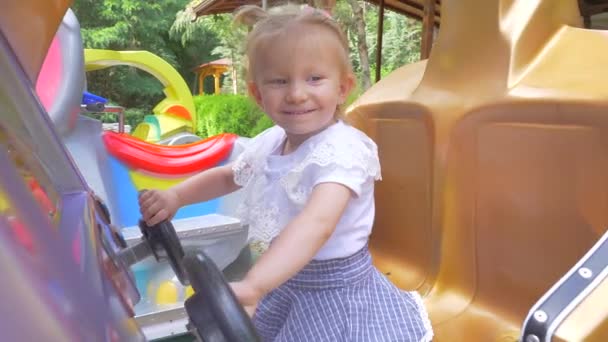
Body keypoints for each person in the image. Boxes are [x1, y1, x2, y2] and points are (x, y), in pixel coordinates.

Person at [139, 3, 433, 341]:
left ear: (342, 88)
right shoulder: (273, 140)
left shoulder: (343, 150)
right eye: (279, 81)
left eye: (314, 78)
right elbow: (228, 175)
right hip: (288, 278)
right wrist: (176, 196)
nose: (296, 93)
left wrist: (254, 284)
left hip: (334, 293)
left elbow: (318, 224)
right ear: (257, 94)